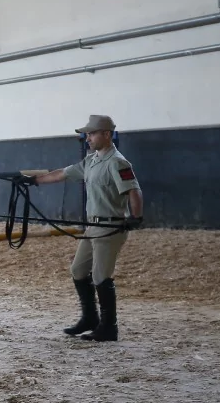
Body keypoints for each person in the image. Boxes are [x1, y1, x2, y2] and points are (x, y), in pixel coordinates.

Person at [23, 115, 144, 342]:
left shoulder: (118, 162)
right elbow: (62, 173)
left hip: (110, 227)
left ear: (106, 134)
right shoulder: (91, 161)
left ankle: (109, 327)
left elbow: (134, 191)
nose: (87, 138)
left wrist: (136, 217)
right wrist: (35, 181)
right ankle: (90, 318)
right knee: (78, 270)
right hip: (92, 226)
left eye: (91, 134)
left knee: (101, 276)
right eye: (87, 134)